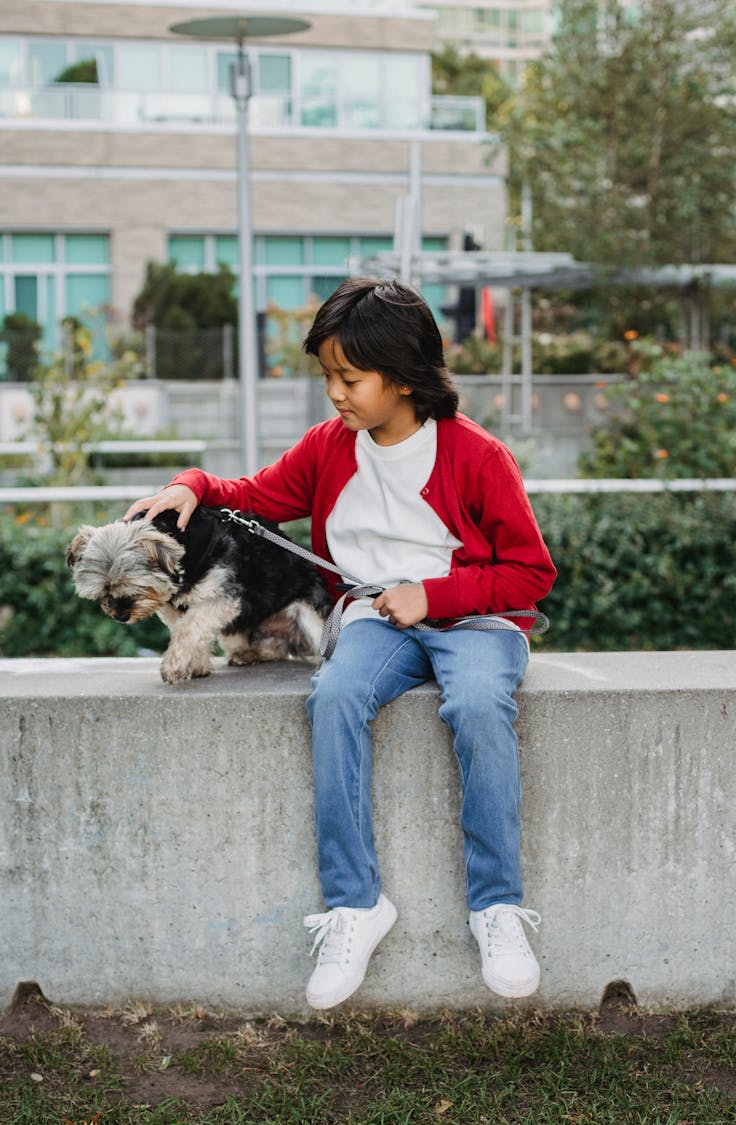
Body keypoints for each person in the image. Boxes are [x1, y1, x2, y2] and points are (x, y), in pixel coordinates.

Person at [125, 277, 557, 1010]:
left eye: (348, 377)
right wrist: (192, 484)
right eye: (327, 375)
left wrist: (435, 594)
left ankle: (497, 907)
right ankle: (355, 905)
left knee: (481, 704)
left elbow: (531, 573)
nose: (334, 392)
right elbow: (255, 495)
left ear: (405, 374)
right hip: (376, 622)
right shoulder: (330, 448)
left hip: (475, 623)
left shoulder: (477, 456)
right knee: (335, 695)